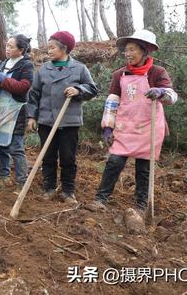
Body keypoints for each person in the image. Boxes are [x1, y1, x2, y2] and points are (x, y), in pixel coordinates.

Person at [85, 30, 177, 221]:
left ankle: (141, 205)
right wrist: (108, 127)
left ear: (145, 51)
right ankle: (100, 199)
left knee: (144, 169)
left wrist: (161, 92)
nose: (128, 54)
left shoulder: (157, 72)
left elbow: (172, 96)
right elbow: (112, 101)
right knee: (114, 162)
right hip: (125, 126)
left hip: (148, 128)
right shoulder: (120, 74)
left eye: (132, 50)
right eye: (126, 50)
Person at [26, 31, 98, 204]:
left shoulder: (79, 68)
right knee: (48, 156)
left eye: (52, 47)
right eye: (47, 48)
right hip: (46, 120)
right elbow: (34, 95)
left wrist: (79, 90)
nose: (48, 51)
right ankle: (49, 188)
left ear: (64, 48)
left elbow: (92, 89)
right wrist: (32, 116)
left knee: (68, 157)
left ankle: (68, 191)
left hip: (69, 121)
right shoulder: (44, 69)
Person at [0, 34, 34, 189]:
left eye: (11, 46)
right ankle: (4, 176)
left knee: (15, 146)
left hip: (16, 111)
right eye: (7, 45)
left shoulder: (26, 66)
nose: (7, 48)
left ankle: (22, 181)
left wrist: (2, 79)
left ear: (21, 50)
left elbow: (23, 88)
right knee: (0, 145)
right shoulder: (2, 63)